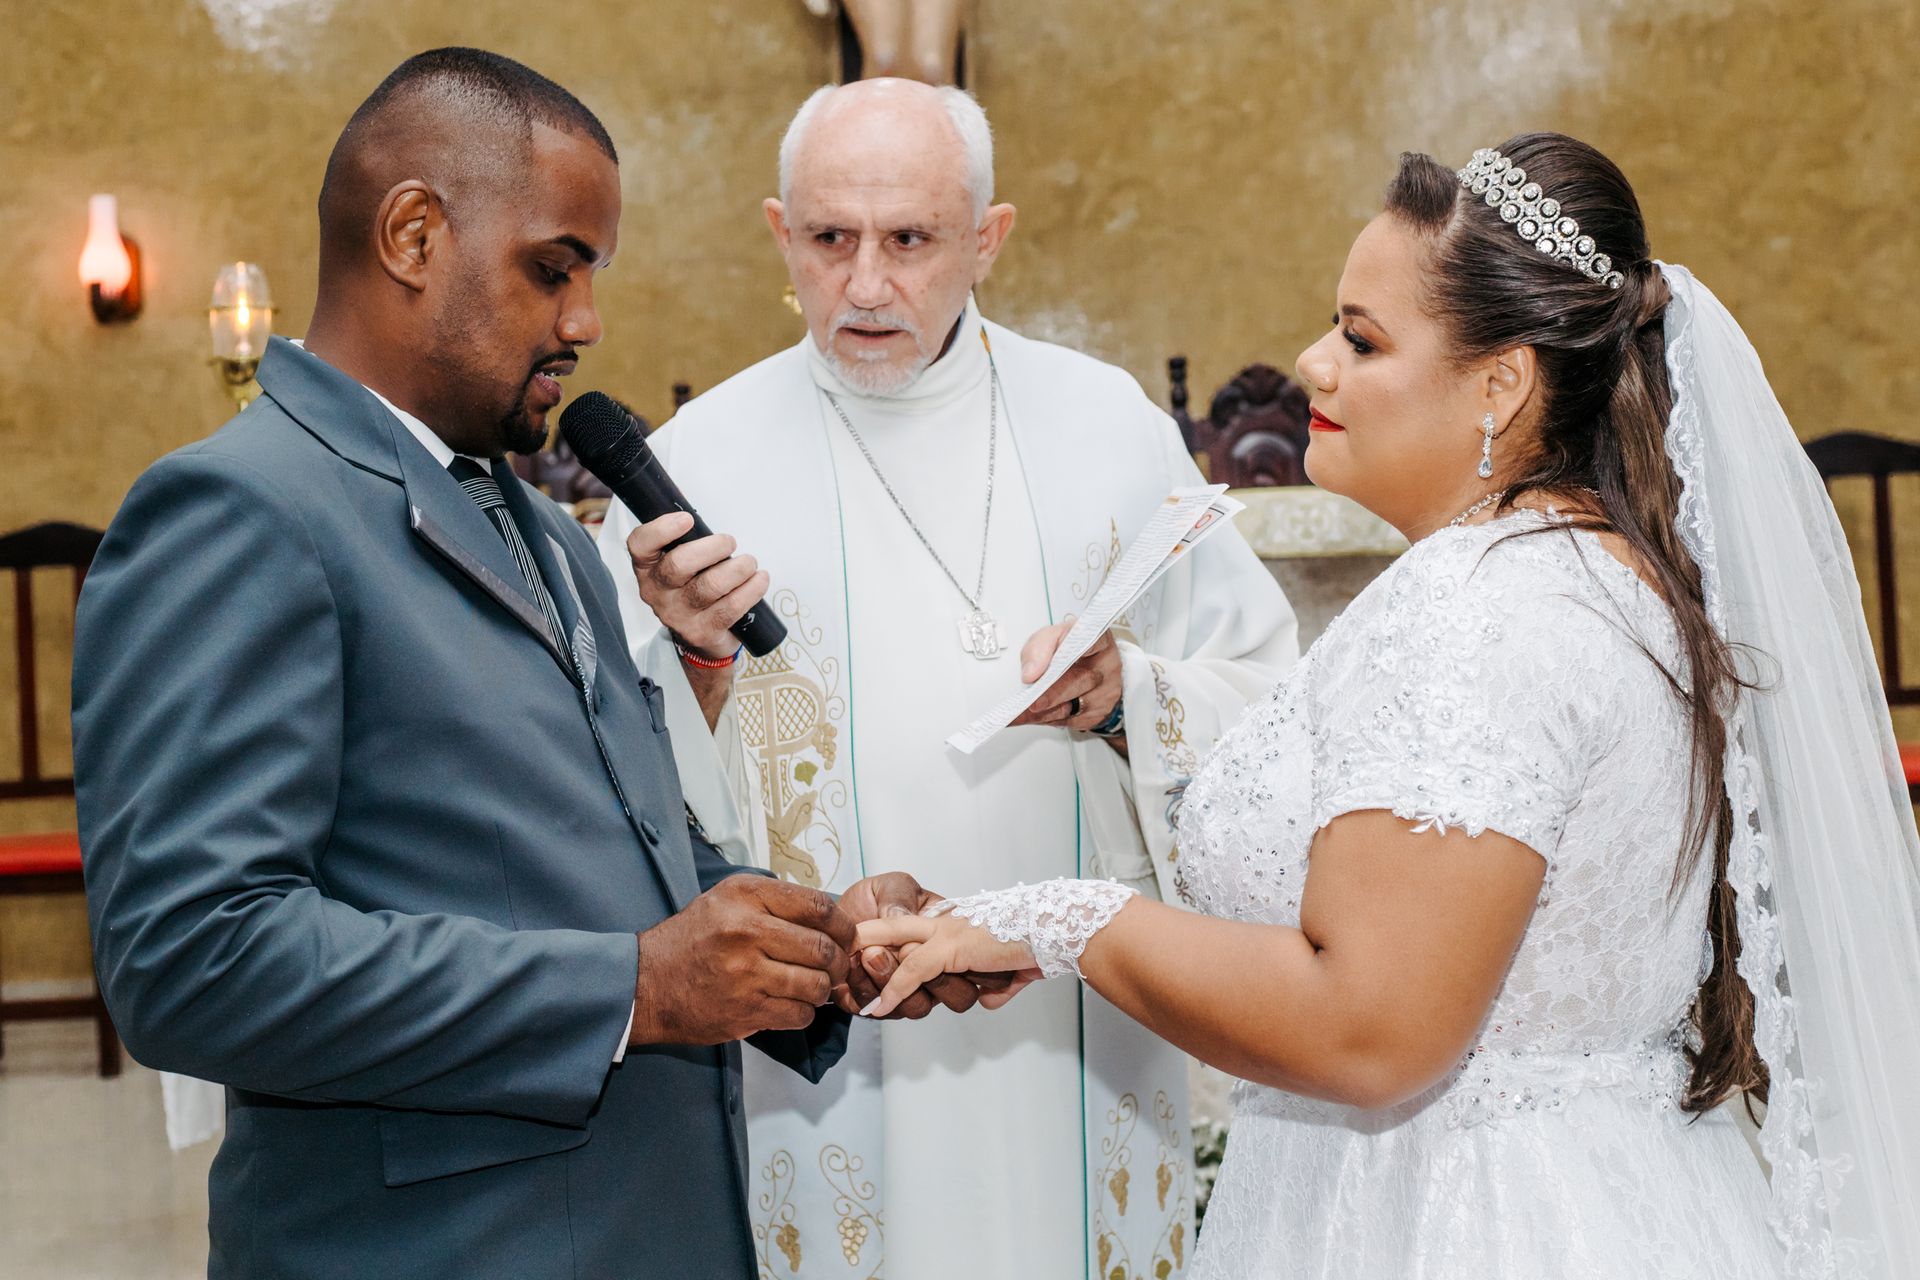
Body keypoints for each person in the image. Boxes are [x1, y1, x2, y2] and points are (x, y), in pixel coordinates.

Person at [858, 132, 1920, 1278]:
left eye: (1362, 339)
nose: (1314, 362)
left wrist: (1067, 921)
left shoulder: (1467, 607)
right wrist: (1127, 708)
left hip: (1452, 1220)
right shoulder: (1600, 569)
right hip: (1614, 1194)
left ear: (1501, 381)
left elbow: (1368, 1025)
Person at [71, 48, 948, 1280]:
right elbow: (191, 958)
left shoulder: (541, 524)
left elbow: (617, 852)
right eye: (555, 267)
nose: (585, 320)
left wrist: (812, 946)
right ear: (414, 233)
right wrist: (632, 990)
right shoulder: (240, 510)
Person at [594, 78, 1296, 1280]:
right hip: (819, 1062)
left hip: (1075, 1042)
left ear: (988, 238)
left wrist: (1131, 696)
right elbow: (603, 776)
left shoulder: (1108, 425)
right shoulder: (693, 465)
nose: (867, 284)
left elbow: (1274, 701)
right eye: (830, 239)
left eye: (910, 240)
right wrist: (697, 658)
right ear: (780, 233)